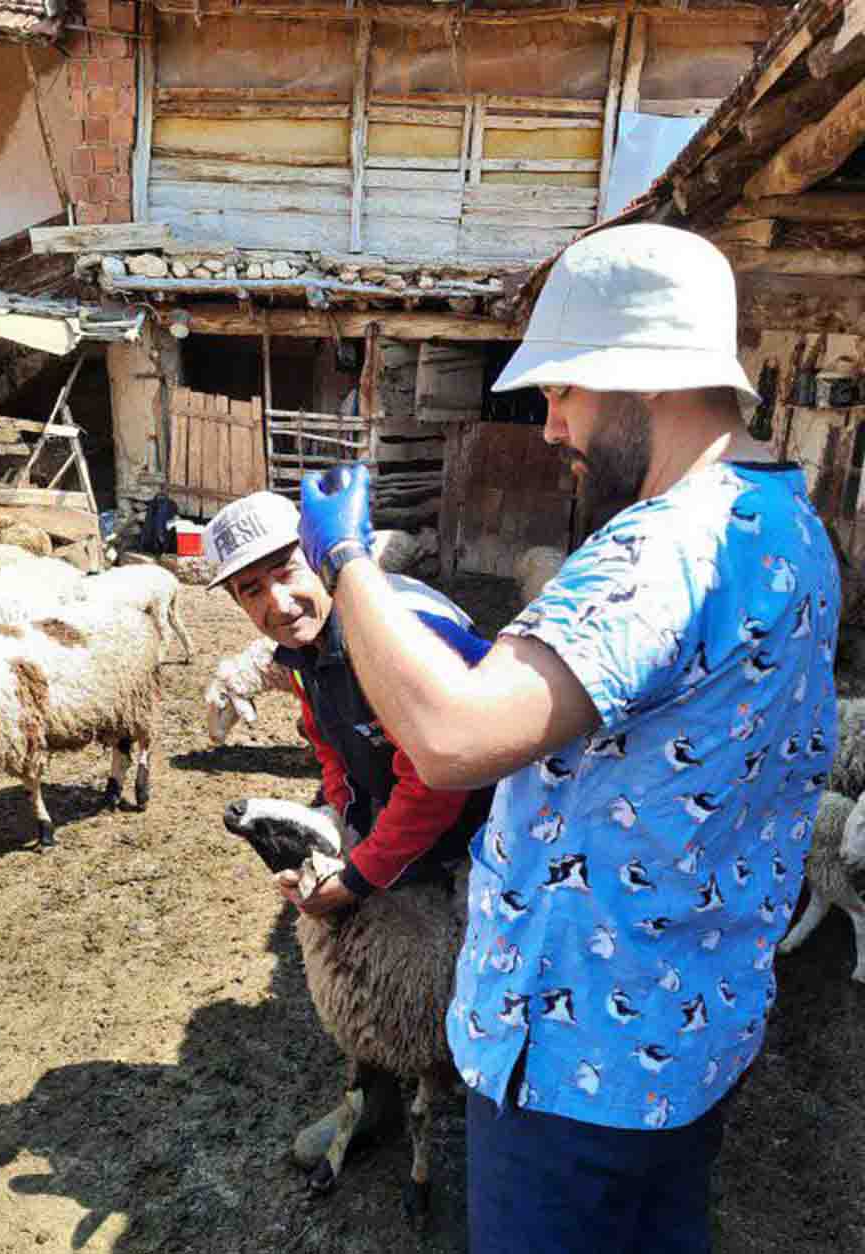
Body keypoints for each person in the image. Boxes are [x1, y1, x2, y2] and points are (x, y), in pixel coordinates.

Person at [295, 223, 840, 1254]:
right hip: (690, 1034)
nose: (546, 427)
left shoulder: (654, 552)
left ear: (642, 375)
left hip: (572, 1060)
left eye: (560, 392)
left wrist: (351, 567)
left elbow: (450, 739)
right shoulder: (787, 527)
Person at [202, 489, 495, 1168]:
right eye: (251, 590)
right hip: (406, 807)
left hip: (486, 819)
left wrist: (360, 873)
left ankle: (490, 1118)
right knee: (361, 950)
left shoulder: (396, 637)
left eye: (285, 574)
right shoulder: (300, 651)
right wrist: (346, 816)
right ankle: (374, 1099)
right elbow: (326, 738)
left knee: (479, 967)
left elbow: (434, 776)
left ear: (320, 561)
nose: (275, 603)